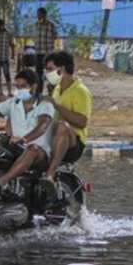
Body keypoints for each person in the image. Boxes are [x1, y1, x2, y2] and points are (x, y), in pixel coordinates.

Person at [44, 51, 92, 182]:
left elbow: (82, 122)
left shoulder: (81, 91)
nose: (47, 73)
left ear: (62, 68)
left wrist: (57, 106)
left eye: (50, 69)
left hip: (74, 143)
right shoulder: (57, 89)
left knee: (63, 127)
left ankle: (50, 174)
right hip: (54, 137)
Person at [35, 7, 58, 96]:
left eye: (39, 14)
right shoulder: (36, 24)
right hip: (38, 52)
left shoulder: (51, 25)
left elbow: (55, 36)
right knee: (38, 73)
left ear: (44, 15)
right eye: (37, 14)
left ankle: (52, 91)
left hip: (48, 53)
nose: (38, 16)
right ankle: (39, 91)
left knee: (51, 73)